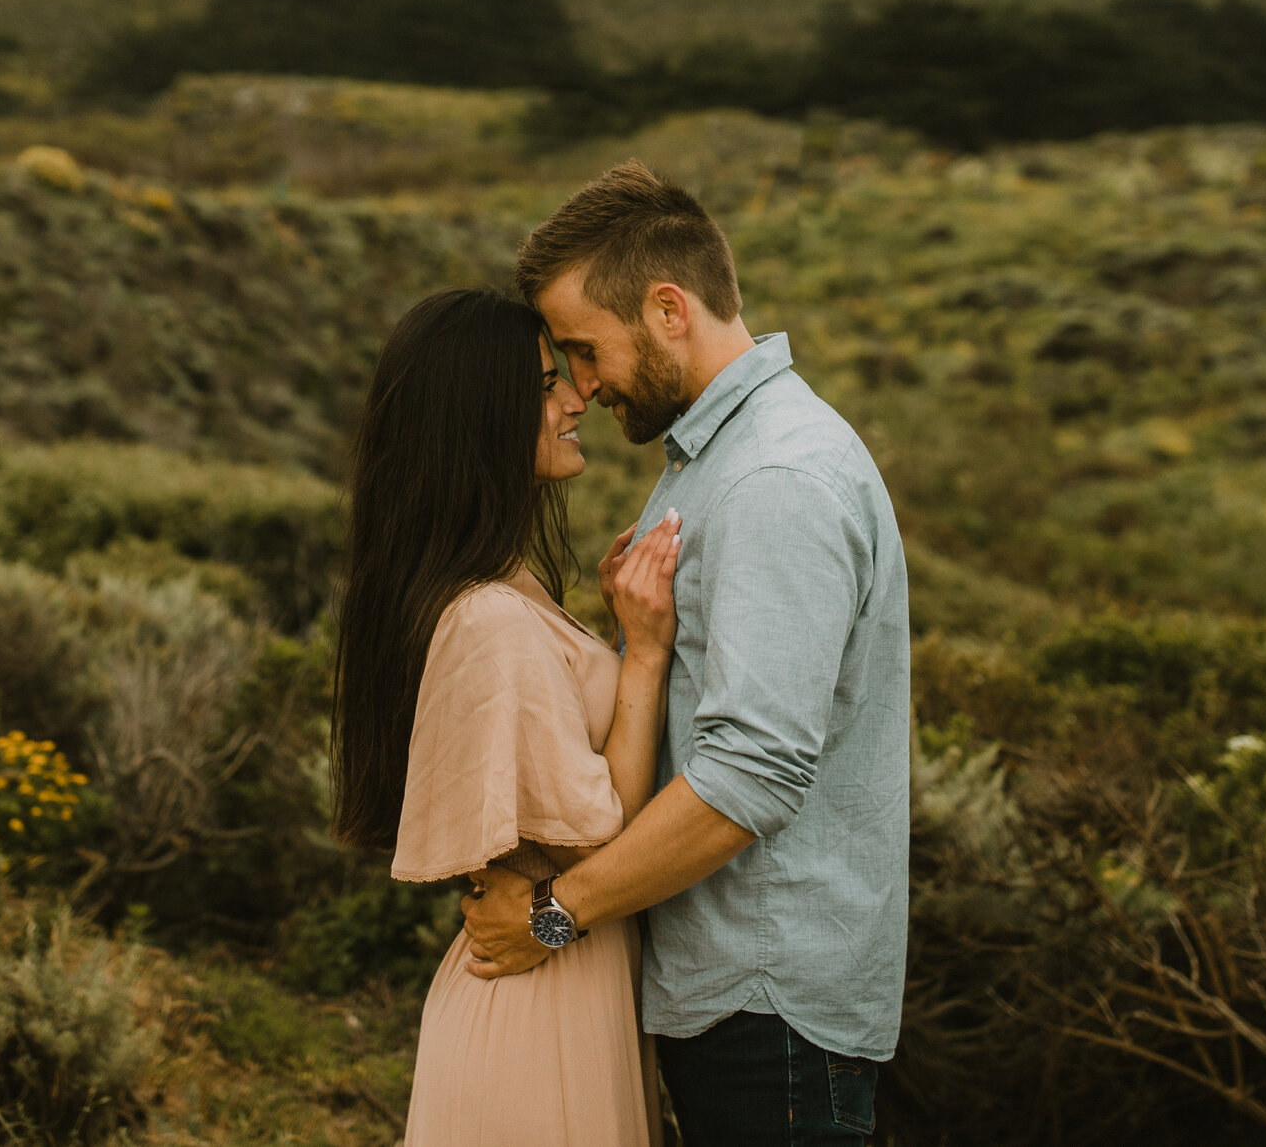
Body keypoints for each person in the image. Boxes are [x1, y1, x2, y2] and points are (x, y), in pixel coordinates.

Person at [462, 161, 912, 1146]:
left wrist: (552, 913)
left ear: (668, 308)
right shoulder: (713, 462)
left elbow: (750, 773)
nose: (579, 383)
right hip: (732, 997)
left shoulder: (774, 480)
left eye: (584, 348)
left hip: (772, 1013)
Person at [331, 286, 684, 1145]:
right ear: (476, 416)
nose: (575, 396)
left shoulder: (500, 586)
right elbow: (607, 838)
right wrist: (641, 652)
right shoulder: (487, 616)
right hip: (536, 1017)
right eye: (542, 384)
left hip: (559, 985)